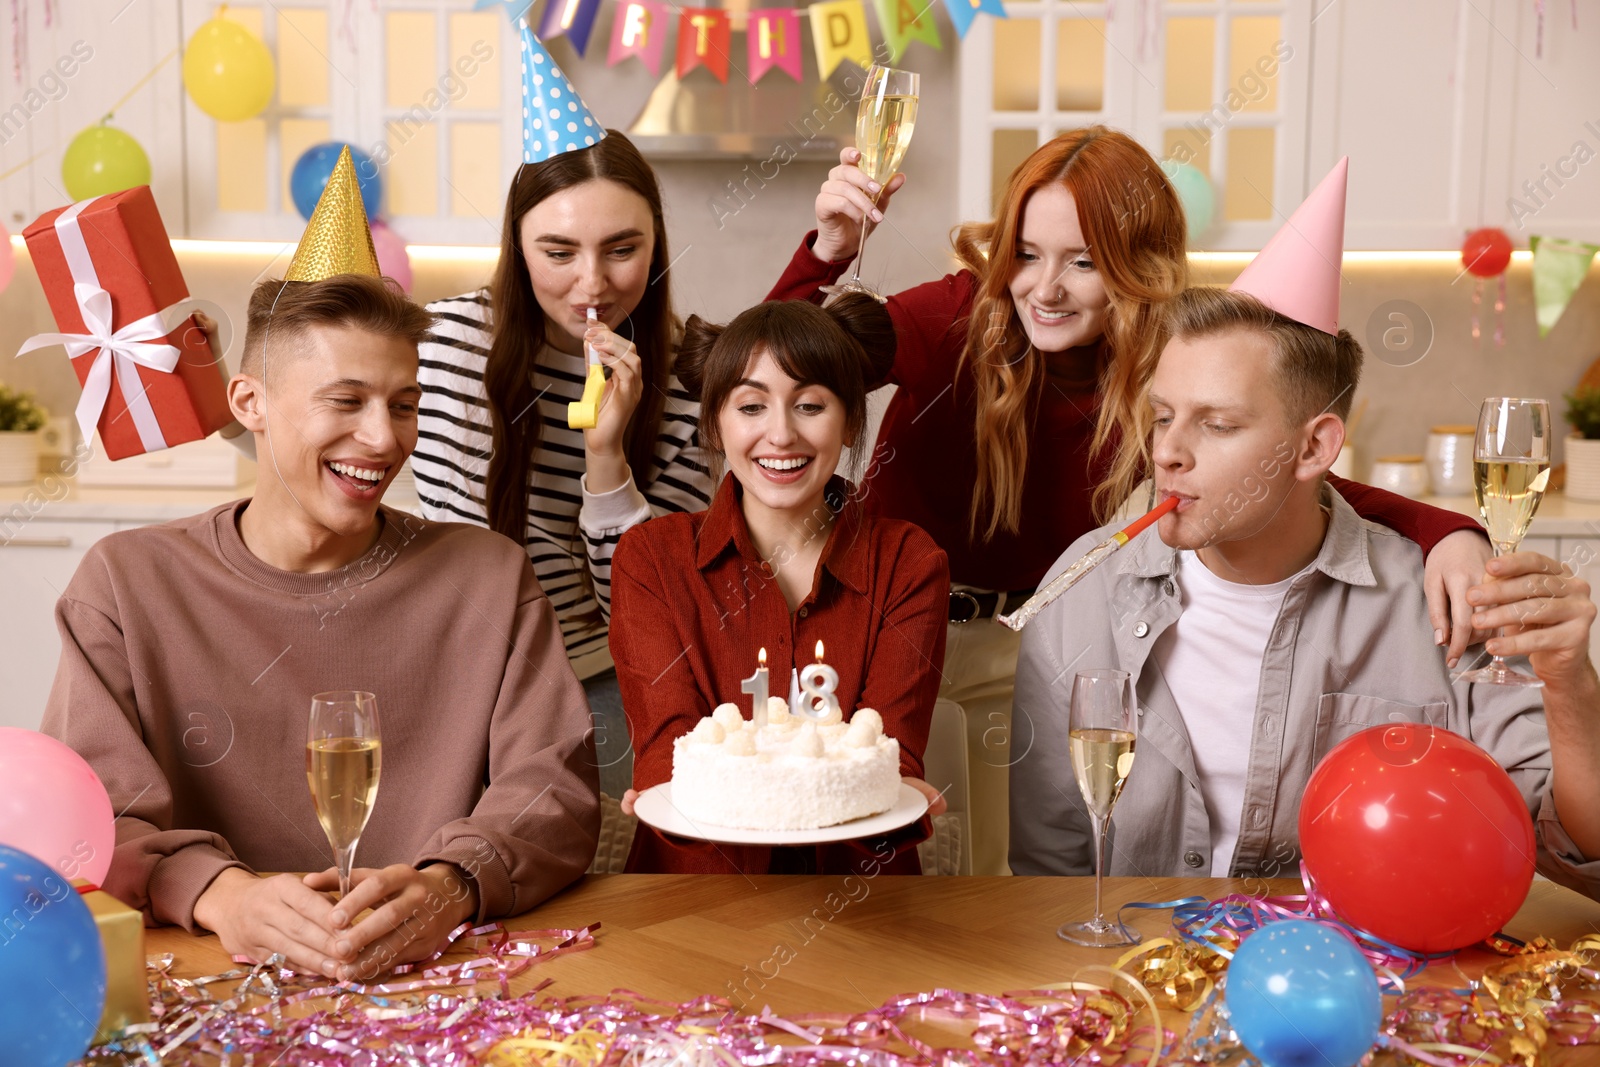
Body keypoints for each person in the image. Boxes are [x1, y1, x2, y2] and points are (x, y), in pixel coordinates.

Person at [768, 126, 1493, 875]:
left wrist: (1443, 529)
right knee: (885, 873)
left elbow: (1276, 476)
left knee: (1001, 881)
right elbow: (766, 380)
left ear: (1134, 265)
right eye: (1026, 253)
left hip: (1039, 645)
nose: (1043, 289)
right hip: (898, 637)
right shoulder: (958, 315)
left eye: (1082, 262)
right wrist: (827, 252)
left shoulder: (1167, 366)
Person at [41, 153, 601, 981]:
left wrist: (453, 883)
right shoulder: (125, 583)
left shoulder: (488, 577)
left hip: (453, 985)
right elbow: (89, 811)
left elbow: (553, 787)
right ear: (250, 404)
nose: (383, 439)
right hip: (206, 988)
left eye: (403, 404)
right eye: (345, 401)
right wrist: (221, 895)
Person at [1009, 165, 1600, 895]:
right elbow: (1045, 880)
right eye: (1163, 416)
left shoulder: (1441, 600)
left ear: (1315, 447)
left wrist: (1569, 681)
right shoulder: (1081, 593)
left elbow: (1577, 847)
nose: (1165, 450)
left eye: (1217, 424)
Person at [412, 32, 711, 800]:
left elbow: (640, 618)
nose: (592, 285)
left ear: (656, 248)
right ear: (516, 245)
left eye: (621, 249)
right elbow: (332, 453)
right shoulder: (442, 345)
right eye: (558, 251)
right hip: (444, 687)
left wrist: (606, 463)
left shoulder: (688, 387)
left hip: (596, 692)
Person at [607, 294, 950, 874]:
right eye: (751, 407)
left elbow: (887, 755)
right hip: (691, 904)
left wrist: (900, 790)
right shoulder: (652, 559)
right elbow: (666, 754)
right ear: (716, 424)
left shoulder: (909, 563)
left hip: (862, 909)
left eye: (810, 405)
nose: (781, 434)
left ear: (849, 424)